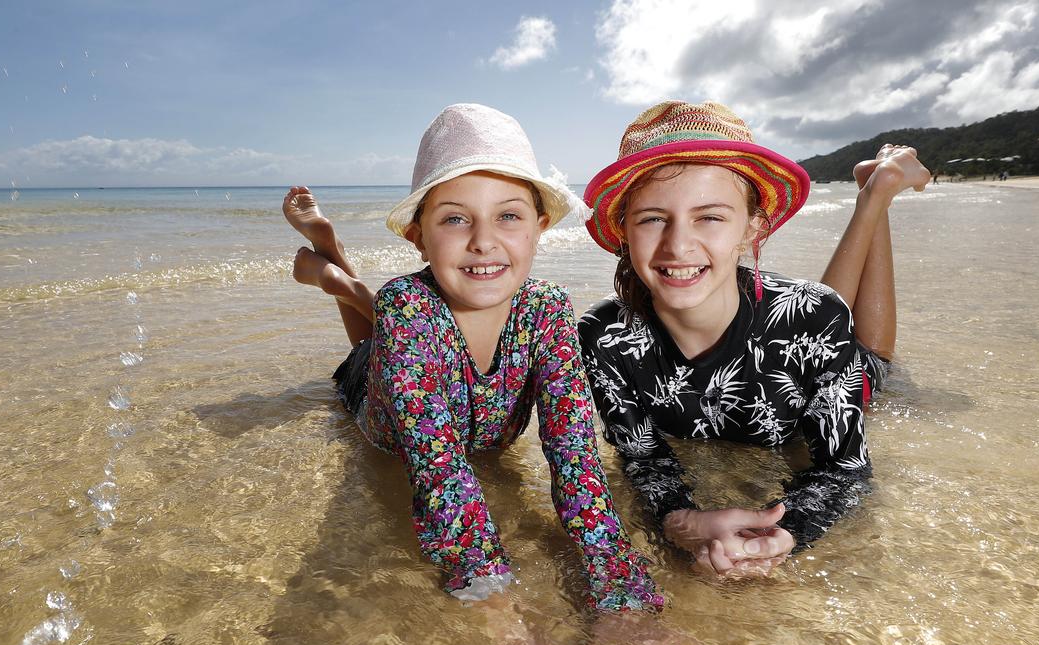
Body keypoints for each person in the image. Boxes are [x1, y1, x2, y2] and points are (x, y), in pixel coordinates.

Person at [286, 103, 663, 612]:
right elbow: (438, 467)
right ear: (418, 237)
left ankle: (343, 273)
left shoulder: (547, 309)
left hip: (415, 343)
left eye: (508, 215)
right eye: (456, 219)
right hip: (378, 399)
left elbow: (574, 455)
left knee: (395, 334)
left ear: (539, 227)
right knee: (366, 350)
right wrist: (489, 594)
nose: (484, 241)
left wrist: (623, 590)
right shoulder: (406, 303)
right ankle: (343, 281)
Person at [577, 101, 930, 578]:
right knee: (811, 310)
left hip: (841, 363)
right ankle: (874, 189)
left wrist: (786, 533)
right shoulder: (605, 337)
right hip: (792, 326)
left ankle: (877, 193)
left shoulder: (815, 316)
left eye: (710, 217)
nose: (677, 245)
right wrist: (681, 520)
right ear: (623, 230)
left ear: (753, 228)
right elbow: (643, 462)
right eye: (653, 218)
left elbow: (844, 469)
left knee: (870, 349)